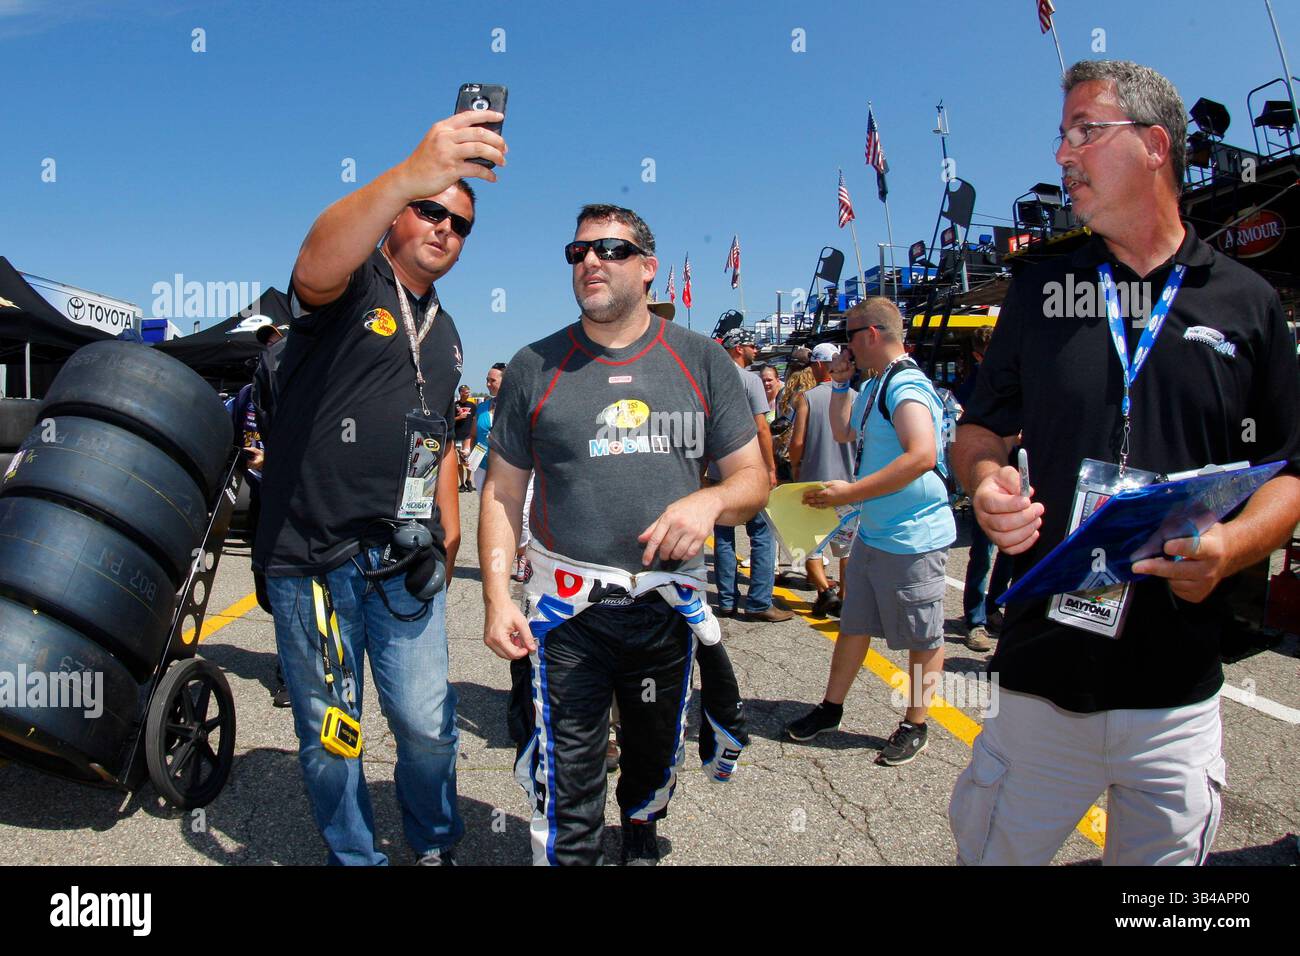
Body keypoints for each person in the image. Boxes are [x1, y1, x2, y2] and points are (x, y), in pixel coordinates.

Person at [948, 60, 1300, 866]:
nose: (1063, 155)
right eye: (1060, 136)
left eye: (1084, 131)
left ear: (1152, 146)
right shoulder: (1041, 290)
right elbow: (979, 431)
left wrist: (1233, 550)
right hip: (1040, 684)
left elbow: (1290, 470)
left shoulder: (1246, 302)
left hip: (1176, 697)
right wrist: (986, 481)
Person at [253, 107, 507, 866]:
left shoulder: (450, 330)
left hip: (402, 562)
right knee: (335, 735)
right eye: (429, 211)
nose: (443, 228)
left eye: (458, 224)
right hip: (316, 561)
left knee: (428, 724)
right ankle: (355, 858)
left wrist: (446, 517)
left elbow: (432, 431)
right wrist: (409, 173)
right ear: (398, 215)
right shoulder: (355, 283)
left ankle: (433, 846)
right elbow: (312, 264)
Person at [479, 203, 766, 865]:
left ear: (647, 266)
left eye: (609, 249)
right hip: (567, 616)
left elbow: (752, 479)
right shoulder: (533, 366)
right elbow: (500, 491)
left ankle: (639, 840)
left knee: (651, 765)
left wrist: (709, 503)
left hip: (663, 613)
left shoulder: (701, 359)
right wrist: (496, 599)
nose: (590, 263)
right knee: (567, 790)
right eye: (577, 253)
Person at [786, 298, 956, 766]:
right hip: (877, 532)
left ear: (871, 335)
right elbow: (844, 433)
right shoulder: (877, 384)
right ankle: (830, 708)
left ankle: (915, 723)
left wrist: (850, 492)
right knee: (854, 625)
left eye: (849, 337)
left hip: (913, 537)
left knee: (923, 638)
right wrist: (840, 384)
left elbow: (921, 454)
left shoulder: (906, 385)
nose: (846, 347)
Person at [711, 328, 793, 622]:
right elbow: (761, 429)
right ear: (737, 349)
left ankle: (727, 601)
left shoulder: (713, 379)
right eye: (750, 345)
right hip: (749, 466)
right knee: (761, 534)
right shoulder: (750, 381)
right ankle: (758, 602)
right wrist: (770, 468)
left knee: (723, 535)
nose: (755, 350)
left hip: (719, 466)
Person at [788, 342, 856, 618]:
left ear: (819, 365)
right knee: (846, 547)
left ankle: (823, 591)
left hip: (814, 482)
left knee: (811, 544)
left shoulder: (807, 398)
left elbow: (797, 441)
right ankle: (845, 599)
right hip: (848, 485)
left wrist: (794, 468)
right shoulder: (856, 396)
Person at [954, 325, 1008, 652]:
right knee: (984, 551)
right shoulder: (972, 387)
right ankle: (975, 619)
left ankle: (994, 606)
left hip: (1016, 472)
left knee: (1012, 552)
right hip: (985, 479)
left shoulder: (1015, 379)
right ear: (977, 356)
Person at [469, 362, 505, 492]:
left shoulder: (517, 407)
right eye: (487, 380)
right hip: (482, 467)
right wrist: (469, 453)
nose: (488, 384)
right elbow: (473, 435)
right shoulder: (482, 408)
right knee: (485, 507)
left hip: (508, 469)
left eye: (492, 380)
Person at [453, 384, 477, 492]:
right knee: (459, 462)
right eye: (466, 392)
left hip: (469, 437)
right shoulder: (454, 405)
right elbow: (449, 420)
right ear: (461, 393)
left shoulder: (472, 405)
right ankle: (461, 483)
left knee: (469, 460)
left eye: (469, 392)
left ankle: (468, 480)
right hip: (457, 436)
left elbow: (475, 420)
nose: (468, 394)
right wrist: (459, 417)